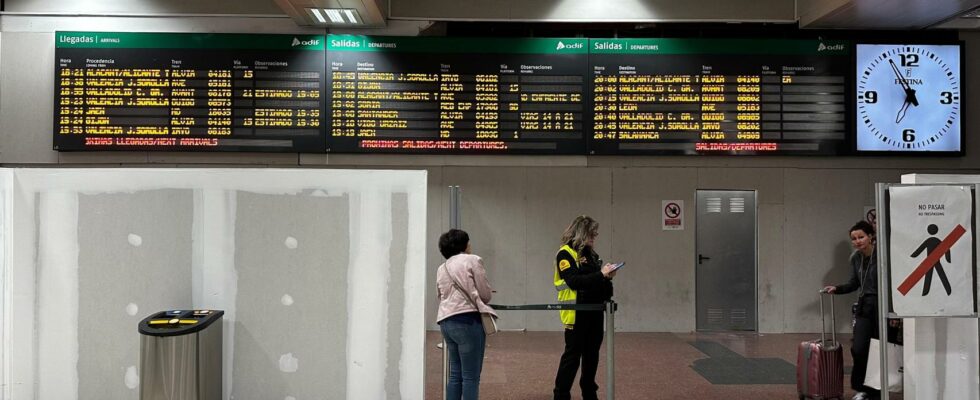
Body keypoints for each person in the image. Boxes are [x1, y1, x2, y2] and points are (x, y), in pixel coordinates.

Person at [553, 215, 617, 400]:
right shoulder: (565, 254)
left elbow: (603, 290)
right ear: (581, 233)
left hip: (595, 313)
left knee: (592, 356)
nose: (594, 237)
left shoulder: (591, 255)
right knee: (572, 357)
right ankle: (561, 394)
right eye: (592, 234)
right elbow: (573, 281)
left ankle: (589, 393)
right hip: (576, 313)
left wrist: (607, 277)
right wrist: (600, 275)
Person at [823, 220, 883, 400]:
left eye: (861, 237)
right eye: (854, 239)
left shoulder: (882, 256)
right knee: (858, 348)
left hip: (881, 306)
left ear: (871, 236)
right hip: (865, 306)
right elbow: (854, 283)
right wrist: (838, 289)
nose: (857, 241)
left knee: (879, 349)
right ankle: (862, 388)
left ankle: (877, 389)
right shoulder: (856, 258)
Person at [436, 229, 496, 400]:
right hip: (467, 321)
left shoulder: (442, 267)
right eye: (468, 241)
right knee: (471, 377)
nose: (470, 244)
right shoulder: (472, 260)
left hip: (446, 322)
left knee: (455, 374)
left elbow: (441, 295)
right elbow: (485, 294)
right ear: (464, 244)